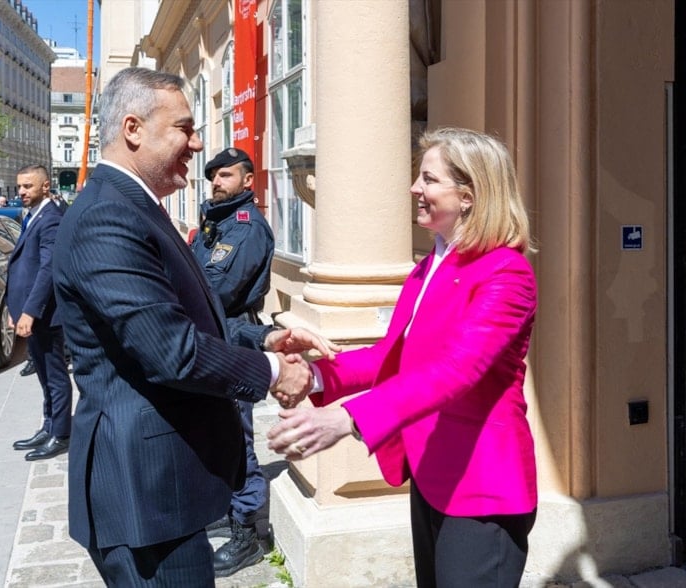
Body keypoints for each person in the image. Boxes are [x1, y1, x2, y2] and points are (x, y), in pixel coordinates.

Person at [51, 67, 337, 587]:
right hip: (144, 492)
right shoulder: (107, 216)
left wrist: (264, 337)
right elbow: (173, 350)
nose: (198, 143)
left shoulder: (134, 205)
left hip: (164, 487)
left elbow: (182, 315)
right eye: (184, 128)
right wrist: (275, 370)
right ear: (133, 129)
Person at [268, 127, 538, 588]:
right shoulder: (430, 265)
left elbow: (457, 371)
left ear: (469, 195)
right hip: (434, 471)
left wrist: (348, 419)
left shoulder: (506, 272)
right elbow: (394, 356)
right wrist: (313, 375)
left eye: (429, 179)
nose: (415, 188)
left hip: (482, 485)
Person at [190, 147, 275, 577]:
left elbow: (216, 290)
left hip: (234, 337)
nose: (217, 183)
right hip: (213, 336)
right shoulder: (216, 223)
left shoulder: (246, 227)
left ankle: (250, 534)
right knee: (219, 433)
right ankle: (230, 508)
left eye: (226, 175)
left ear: (247, 181)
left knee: (239, 439)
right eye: (213, 176)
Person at [7, 164, 73, 461]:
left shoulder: (51, 219)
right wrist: (16, 309)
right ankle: (48, 426)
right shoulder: (33, 215)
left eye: (28, 186)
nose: (21, 192)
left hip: (46, 314)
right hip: (31, 312)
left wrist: (30, 312)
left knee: (55, 374)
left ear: (45, 186)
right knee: (44, 374)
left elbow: (47, 269)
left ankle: (61, 433)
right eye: (19, 186)